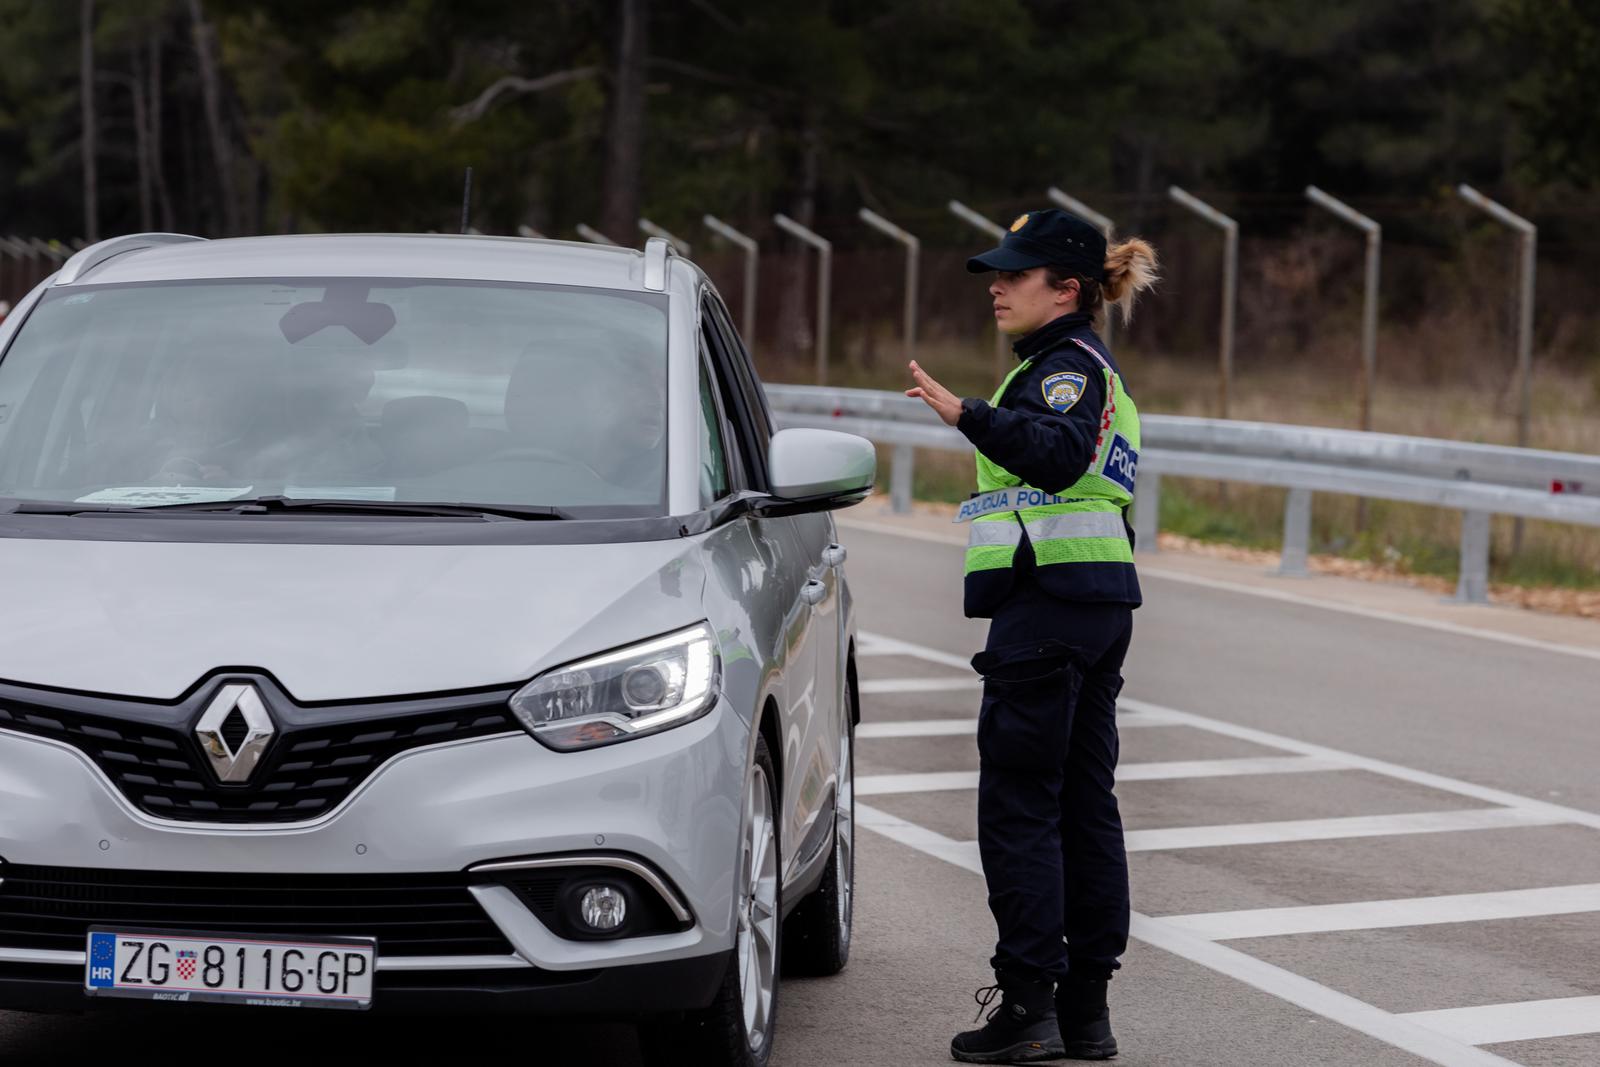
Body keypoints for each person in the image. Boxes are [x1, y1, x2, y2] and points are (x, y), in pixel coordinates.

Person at [905, 208, 1158, 1063]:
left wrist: (968, 414)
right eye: (996, 274)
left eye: (1017, 274)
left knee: (1020, 807)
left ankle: (1029, 1005)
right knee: (1084, 807)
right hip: (1092, 603)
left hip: (1048, 605)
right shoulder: (1083, 365)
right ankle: (1085, 1011)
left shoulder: (1066, 368)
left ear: (1069, 289)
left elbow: (1054, 454)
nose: (998, 287)